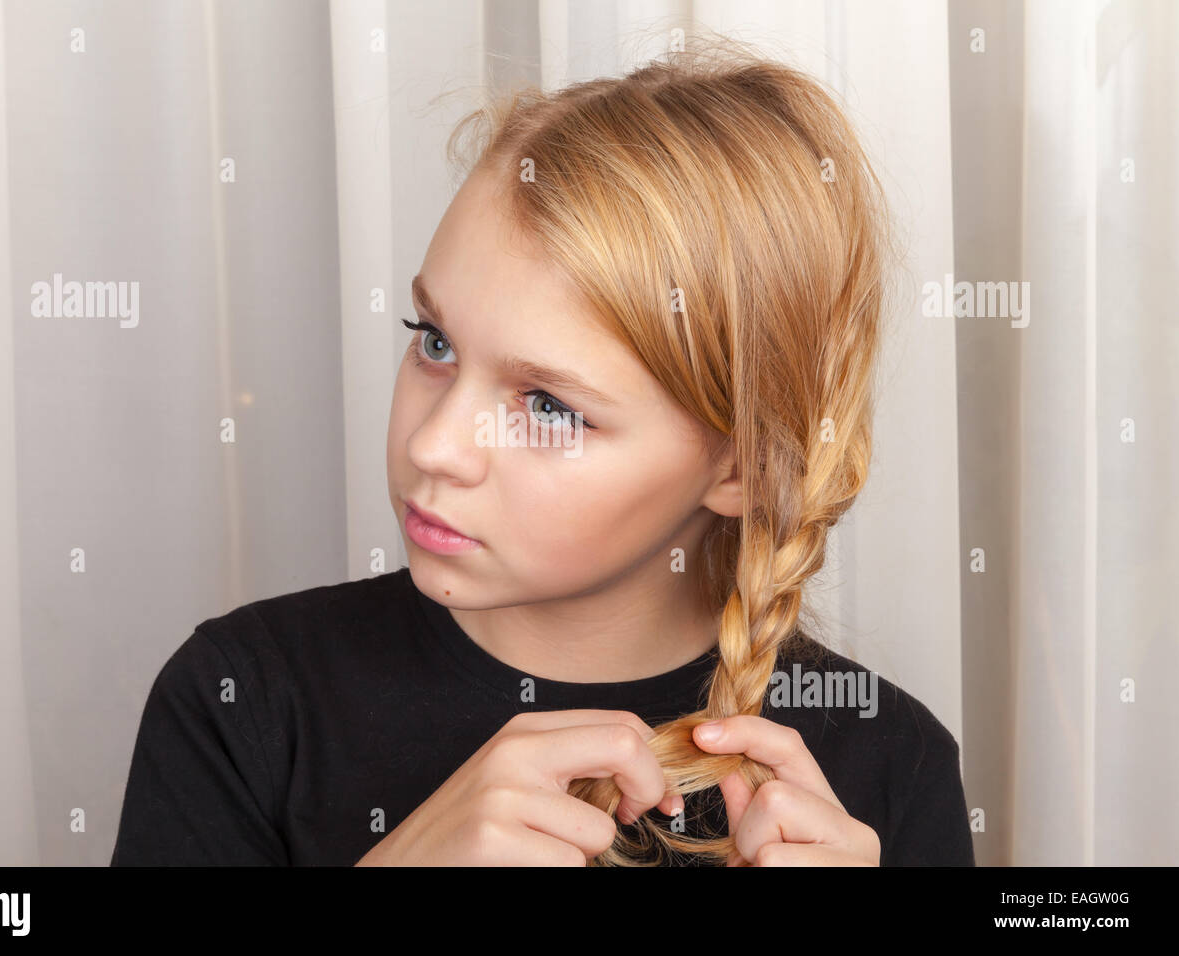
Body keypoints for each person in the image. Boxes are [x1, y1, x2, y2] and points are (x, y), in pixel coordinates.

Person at [110, 39, 974, 867]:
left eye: (550, 407)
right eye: (435, 342)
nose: (434, 445)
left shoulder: (892, 771)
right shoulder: (243, 701)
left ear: (741, 467)